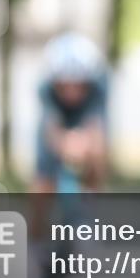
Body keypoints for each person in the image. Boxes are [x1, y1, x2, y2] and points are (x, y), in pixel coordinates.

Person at [31, 31, 110, 194]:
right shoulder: (45, 89)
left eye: (78, 85)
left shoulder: (98, 89)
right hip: (57, 123)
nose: (71, 93)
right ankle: (39, 209)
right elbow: (50, 128)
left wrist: (85, 144)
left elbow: (96, 128)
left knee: (97, 153)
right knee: (43, 172)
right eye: (65, 86)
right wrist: (64, 143)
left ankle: (92, 199)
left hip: (85, 122)